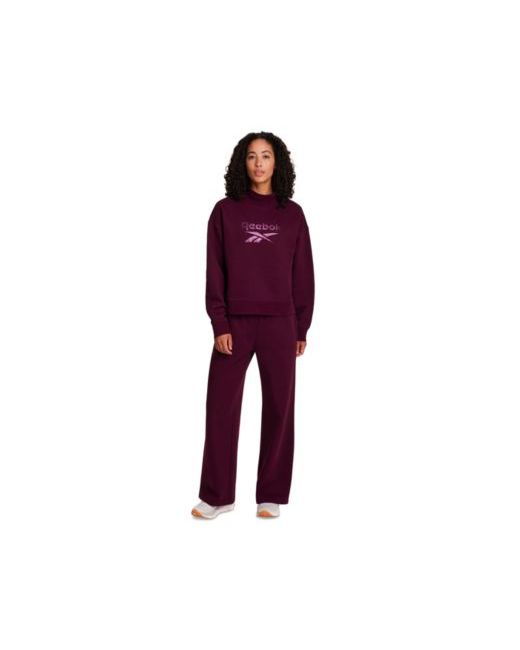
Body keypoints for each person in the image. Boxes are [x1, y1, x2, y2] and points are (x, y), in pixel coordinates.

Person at [191, 131, 315, 519]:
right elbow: (215, 271)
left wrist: (301, 327)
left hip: (281, 323)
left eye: (266, 156)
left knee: (280, 408)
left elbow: (303, 273)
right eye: (251, 156)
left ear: (277, 163)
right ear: (241, 163)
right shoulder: (224, 212)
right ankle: (217, 495)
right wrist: (220, 323)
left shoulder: (292, 214)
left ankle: (270, 495)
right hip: (235, 323)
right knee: (220, 407)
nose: (259, 163)